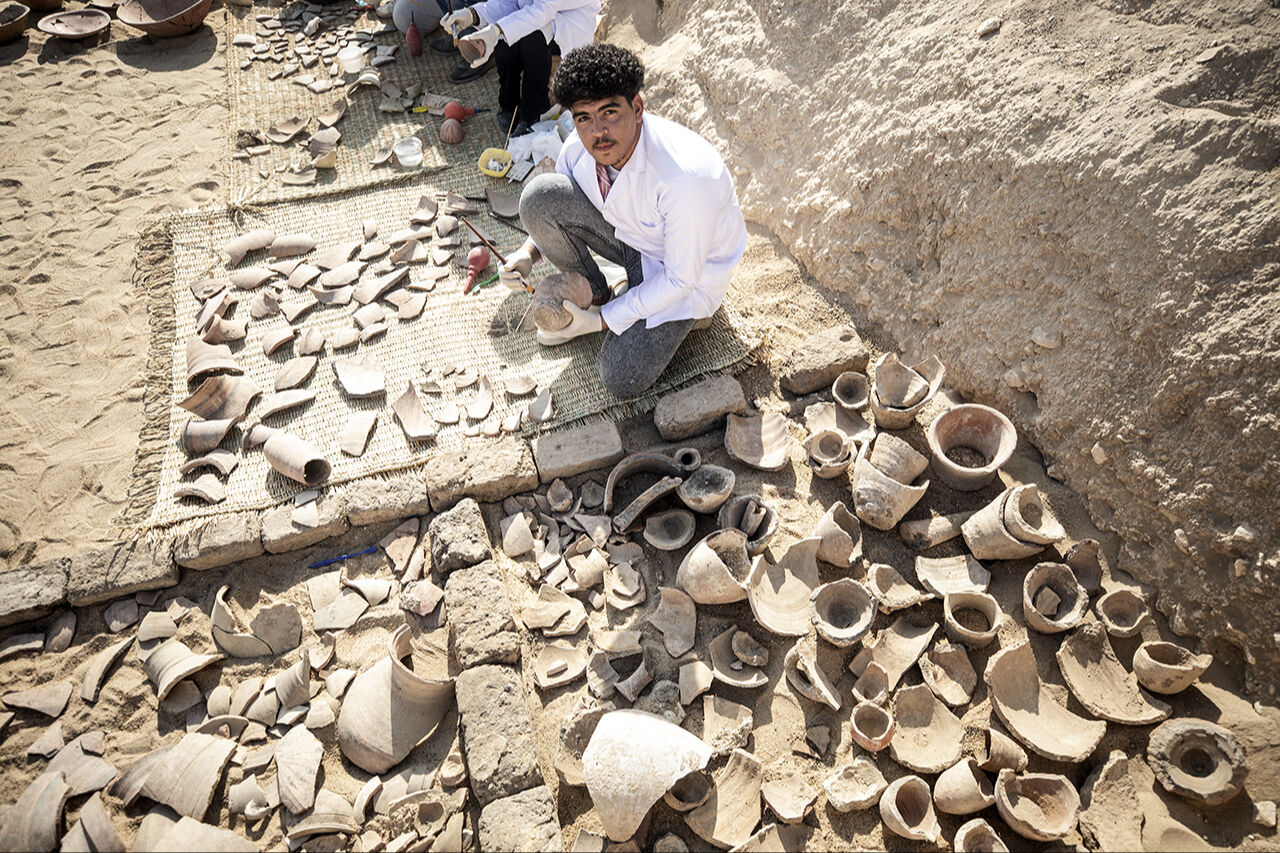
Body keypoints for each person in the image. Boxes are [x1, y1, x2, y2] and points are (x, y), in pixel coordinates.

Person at [499, 44, 747, 398]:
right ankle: (597, 293)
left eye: (609, 112)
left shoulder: (684, 177)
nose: (598, 131)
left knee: (621, 376)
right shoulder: (578, 147)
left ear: (638, 107)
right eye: (584, 118)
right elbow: (560, 204)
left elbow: (681, 278)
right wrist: (528, 253)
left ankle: (688, 317)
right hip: (633, 239)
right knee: (539, 198)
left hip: (686, 276)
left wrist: (601, 322)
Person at [442, 0, 599, 135]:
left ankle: (534, 112)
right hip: (538, 13)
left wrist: (497, 29)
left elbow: (543, 10)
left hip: (567, 21)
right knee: (506, 27)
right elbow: (509, 2)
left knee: (528, 35)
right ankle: (509, 101)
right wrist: (472, 15)